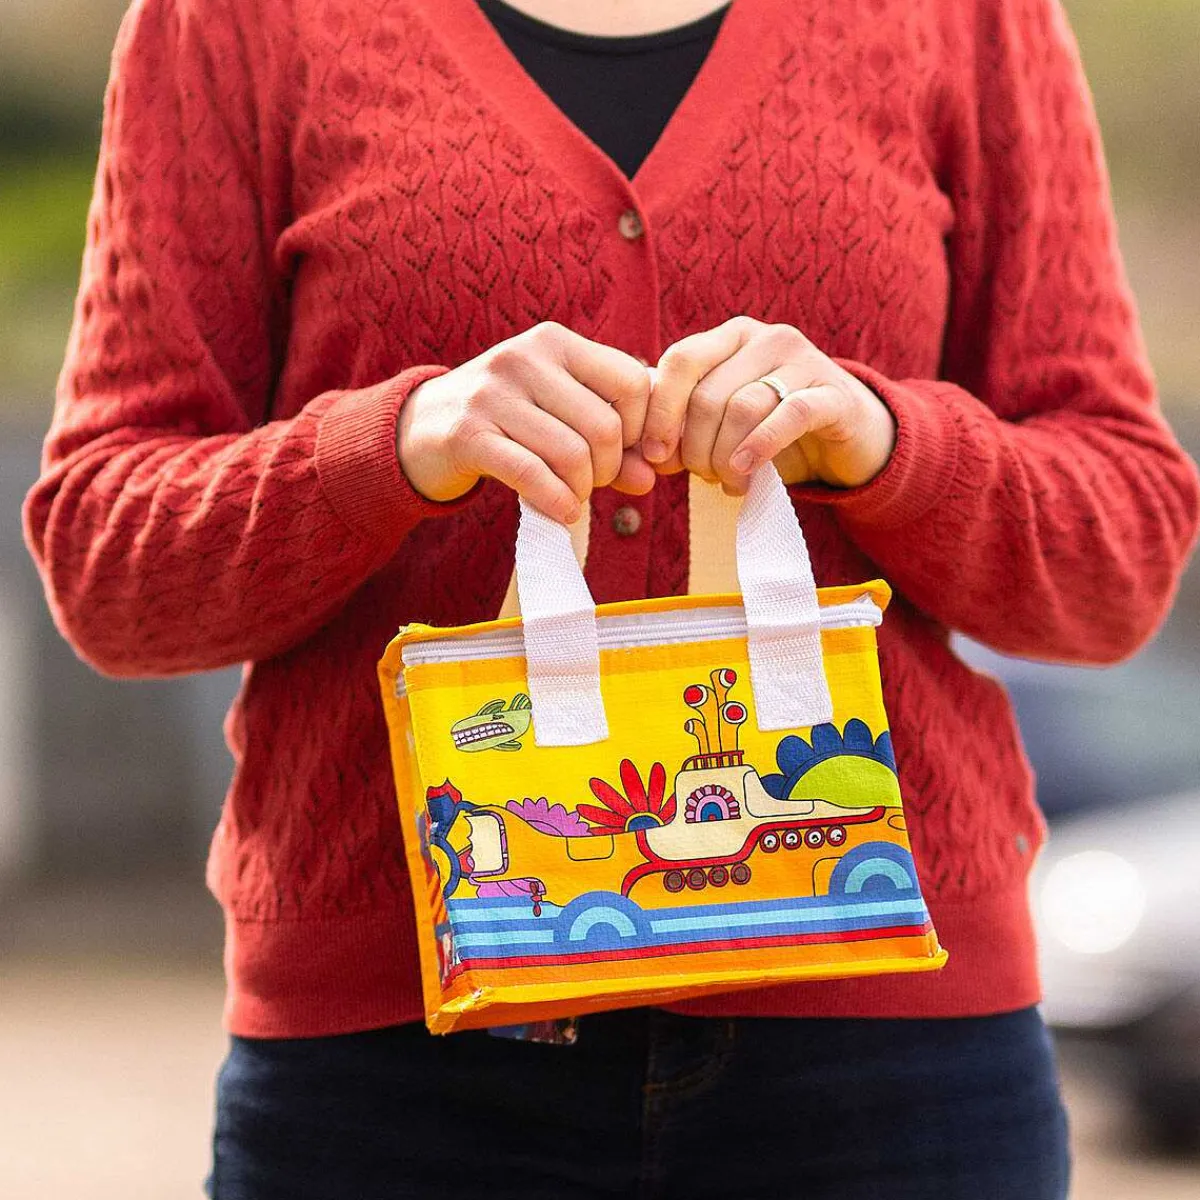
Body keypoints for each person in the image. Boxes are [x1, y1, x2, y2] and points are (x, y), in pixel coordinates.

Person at [22, 0, 1200, 1196]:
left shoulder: (968, 21)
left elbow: (1122, 564)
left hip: (890, 1070)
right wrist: (390, 447)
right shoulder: (232, 23)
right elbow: (109, 572)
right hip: (396, 1074)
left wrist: (890, 441)